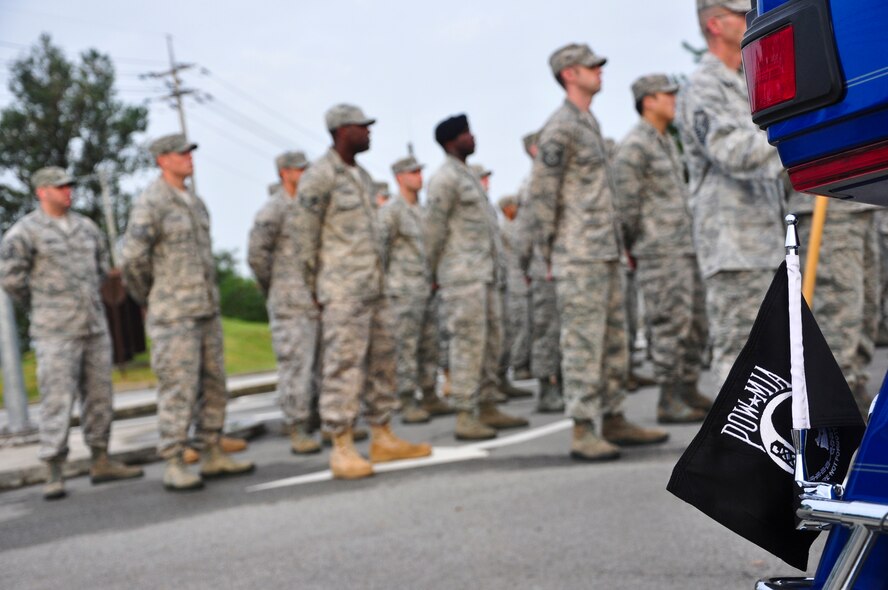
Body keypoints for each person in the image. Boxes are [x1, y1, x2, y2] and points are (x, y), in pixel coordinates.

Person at [527, 43, 669, 461]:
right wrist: (548, 252)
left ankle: (612, 416)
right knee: (583, 343)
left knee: (612, 342)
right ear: (569, 74)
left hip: (604, 250)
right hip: (578, 254)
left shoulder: (587, 122)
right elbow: (542, 196)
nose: (599, 72)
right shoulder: (560, 128)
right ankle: (584, 427)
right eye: (591, 67)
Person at [295, 104, 431, 480]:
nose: (368, 133)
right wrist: (316, 287)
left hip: (374, 286)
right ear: (341, 131)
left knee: (382, 361)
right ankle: (341, 445)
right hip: (342, 290)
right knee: (343, 367)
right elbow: (303, 238)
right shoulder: (320, 176)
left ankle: (382, 435)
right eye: (362, 127)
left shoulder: (362, 176)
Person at [120, 134, 255, 491]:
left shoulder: (195, 202)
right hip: (174, 314)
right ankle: (175, 460)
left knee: (214, 384)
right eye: (181, 154)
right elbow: (132, 259)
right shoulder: (152, 202)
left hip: (205, 308)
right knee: (178, 388)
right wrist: (151, 295)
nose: (188, 158)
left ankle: (212, 450)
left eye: (189, 152)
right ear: (162, 160)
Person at [0, 167, 144, 500]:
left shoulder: (86, 227)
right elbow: (11, 279)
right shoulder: (24, 232)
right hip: (54, 331)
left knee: (100, 395)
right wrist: (42, 305)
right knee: (57, 399)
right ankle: (54, 469)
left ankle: (101, 459)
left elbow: (101, 269)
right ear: (42, 192)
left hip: (93, 326)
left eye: (69, 186)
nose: (68, 191)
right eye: (60, 187)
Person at [675, 0, 786, 387]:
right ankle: (733, 431)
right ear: (715, 24)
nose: (748, 19)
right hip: (733, 247)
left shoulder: (742, 81)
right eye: (739, 14)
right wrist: (789, 134)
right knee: (741, 354)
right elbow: (730, 151)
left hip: (763, 240)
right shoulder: (703, 87)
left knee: (772, 355)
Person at [612, 74, 711, 424]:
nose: (674, 100)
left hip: (684, 246)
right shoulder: (635, 145)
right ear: (647, 101)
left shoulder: (665, 140)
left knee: (694, 322)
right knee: (669, 323)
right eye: (666, 95)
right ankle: (669, 398)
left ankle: (688, 386)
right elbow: (625, 205)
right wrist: (634, 244)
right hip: (659, 251)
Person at [425, 114, 529, 440]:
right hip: (462, 277)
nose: (472, 138)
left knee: (490, 343)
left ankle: (486, 404)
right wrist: (432, 273)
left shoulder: (467, 175)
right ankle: (465, 413)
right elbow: (433, 230)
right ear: (450, 141)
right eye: (465, 134)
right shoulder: (445, 178)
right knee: (467, 345)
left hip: (485, 275)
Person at [248, 151, 323, 454]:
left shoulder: (310, 206)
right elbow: (257, 255)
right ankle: (297, 426)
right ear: (285, 173)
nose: (305, 174)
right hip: (289, 303)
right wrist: (276, 286)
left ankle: (322, 421)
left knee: (321, 366)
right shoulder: (273, 209)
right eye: (299, 170)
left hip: (316, 299)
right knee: (295, 367)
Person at [379, 155, 453, 424]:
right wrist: (388, 285)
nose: (419, 177)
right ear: (399, 177)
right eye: (413, 173)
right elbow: (381, 250)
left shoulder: (424, 212)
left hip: (427, 288)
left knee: (430, 345)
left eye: (420, 172)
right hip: (403, 292)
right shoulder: (391, 211)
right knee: (405, 347)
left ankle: (430, 394)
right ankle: (407, 398)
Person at [471, 163, 532, 401]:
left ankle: (500, 378)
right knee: (486, 334)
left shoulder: (485, 206)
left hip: (499, 278)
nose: (487, 182)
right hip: (480, 278)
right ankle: (486, 387)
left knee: (504, 330)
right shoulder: (473, 206)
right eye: (483, 178)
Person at [517, 132, 564, 413]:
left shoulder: (554, 178)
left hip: (562, 265)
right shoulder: (533, 182)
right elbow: (524, 231)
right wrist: (526, 265)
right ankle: (547, 389)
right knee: (546, 331)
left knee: (564, 330)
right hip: (542, 268)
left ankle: (564, 383)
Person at [496, 194, 533, 387]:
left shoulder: (515, 226)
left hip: (522, 282)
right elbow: (521, 247)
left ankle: (524, 362)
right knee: (518, 326)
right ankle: (518, 365)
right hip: (513, 284)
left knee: (526, 325)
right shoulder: (505, 229)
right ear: (506, 208)